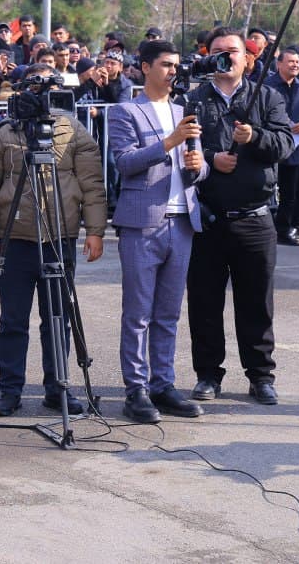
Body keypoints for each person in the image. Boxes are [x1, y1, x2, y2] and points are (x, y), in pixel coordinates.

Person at [0, 63, 107, 417]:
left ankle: (57, 387)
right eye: (35, 87)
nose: (42, 96)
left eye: (50, 88)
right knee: (12, 320)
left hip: (59, 237)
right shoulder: (3, 135)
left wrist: (95, 231)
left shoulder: (73, 131)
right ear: (20, 90)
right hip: (14, 239)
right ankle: (10, 391)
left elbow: (93, 185)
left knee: (58, 318)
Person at [184, 28, 294, 406]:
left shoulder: (267, 96)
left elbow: (284, 145)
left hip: (255, 218)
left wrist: (254, 138)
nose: (225, 58)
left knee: (256, 303)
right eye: (217, 52)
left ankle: (261, 375)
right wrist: (213, 157)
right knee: (204, 302)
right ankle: (207, 374)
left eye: (232, 51)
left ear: (248, 58)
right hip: (208, 219)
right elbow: (183, 146)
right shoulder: (194, 99)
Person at [108, 40, 208, 422]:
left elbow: (199, 168)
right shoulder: (126, 110)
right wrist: (169, 142)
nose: (173, 71)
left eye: (176, 65)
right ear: (144, 66)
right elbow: (125, 162)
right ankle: (136, 389)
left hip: (182, 220)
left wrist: (199, 165)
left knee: (168, 312)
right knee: (138, 313)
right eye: (165, 64)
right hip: (141, 223)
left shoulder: (185, 111)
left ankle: (163, 384)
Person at [265, 46, 299, 246]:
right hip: (270, 146)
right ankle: (266, 229)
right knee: (266, 190)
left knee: (290, 193)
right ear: (279, 64)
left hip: (294, 148)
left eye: (297, 62)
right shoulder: (267, 85)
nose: (295, 65)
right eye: (290, 62)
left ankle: (283, 230)